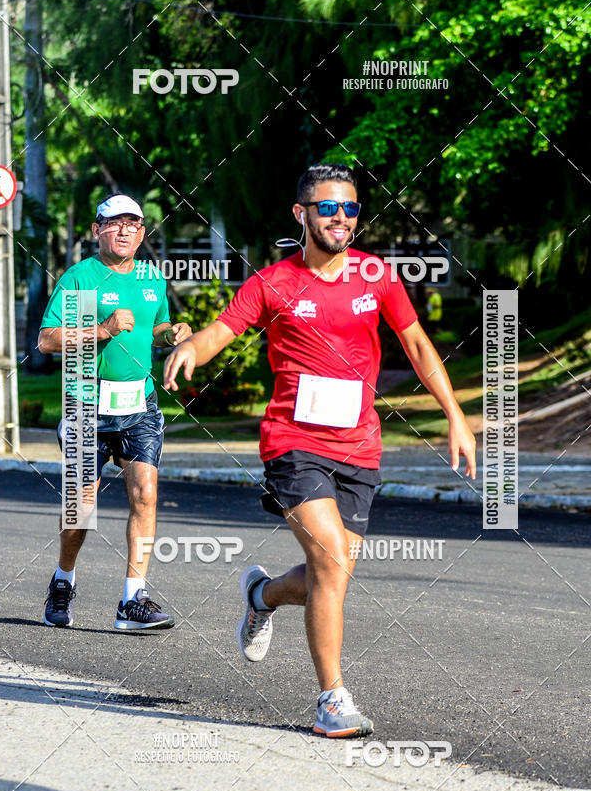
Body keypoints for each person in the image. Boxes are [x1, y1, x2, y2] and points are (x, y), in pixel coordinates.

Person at [164, 164, 476, 737]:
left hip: (359, 447)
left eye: (351, 208)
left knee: (326, 575)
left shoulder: (376, 276)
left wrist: (455, 416)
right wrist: (193, 352)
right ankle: (332, 699)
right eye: (329, 207)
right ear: (301, 214)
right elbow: (222, 330)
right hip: (293, 444)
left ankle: (260, 595)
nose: (341, 218)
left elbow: (417, 343)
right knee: (331, 561)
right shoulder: (274, 282)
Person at [38, 193, 191, 630]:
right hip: (86, 400)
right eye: (115, 222)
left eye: (133, 223)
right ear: (97, 230)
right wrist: (102, 329)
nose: (125, 230)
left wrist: (171, 334)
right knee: (81, 508)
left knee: (145, 494)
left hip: (138, 402)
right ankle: (64, 578)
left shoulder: (151, 278)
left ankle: (132, 601)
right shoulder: (81, 279)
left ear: (142, 233)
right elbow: (48, 340)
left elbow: (155, 326)